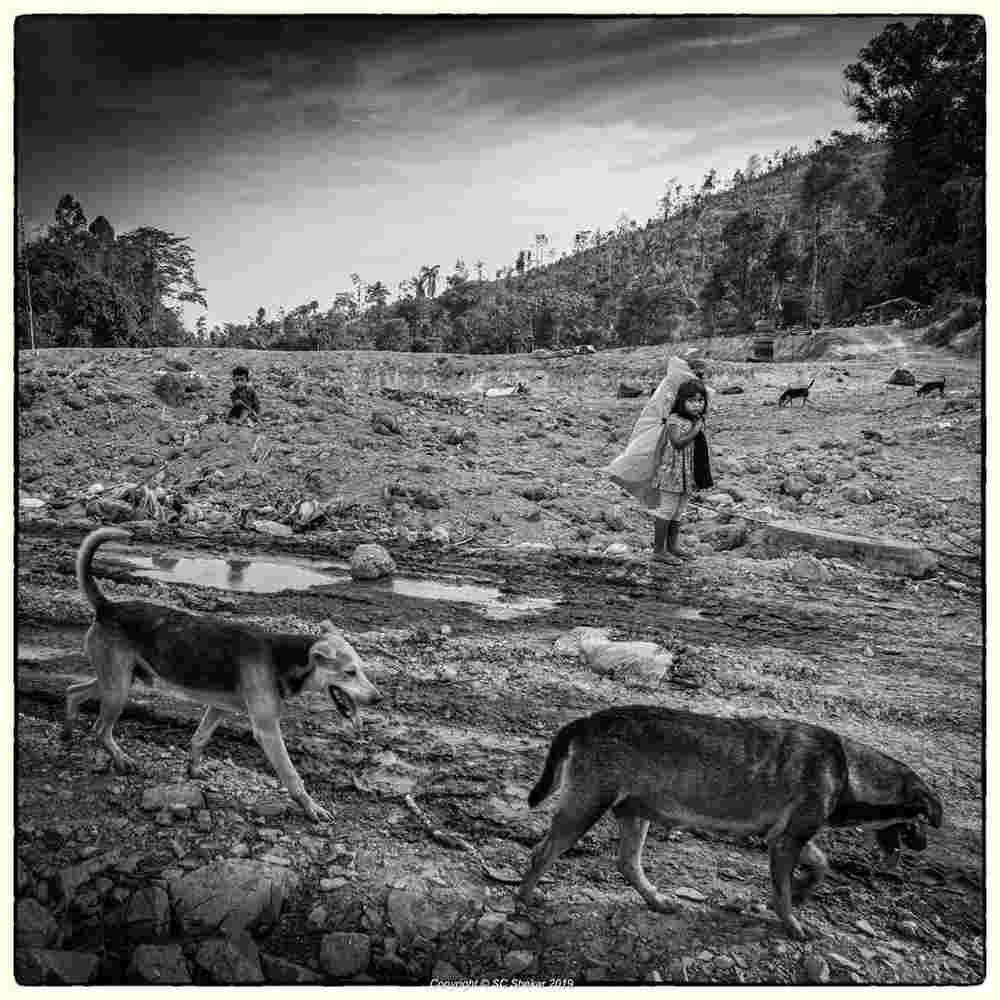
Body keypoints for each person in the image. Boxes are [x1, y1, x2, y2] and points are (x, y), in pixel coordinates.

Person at [651, 379, 713, 562]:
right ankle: (658, 551)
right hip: (672, 472)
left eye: (700, 401)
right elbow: (677, 443)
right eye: (692, 401)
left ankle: (673, 546)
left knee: (679, 510)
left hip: (687, 473)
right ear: (681, 401)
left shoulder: (695, 420)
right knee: (667, 510)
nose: (697, 405)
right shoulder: (674, 420)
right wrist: (695, 430)